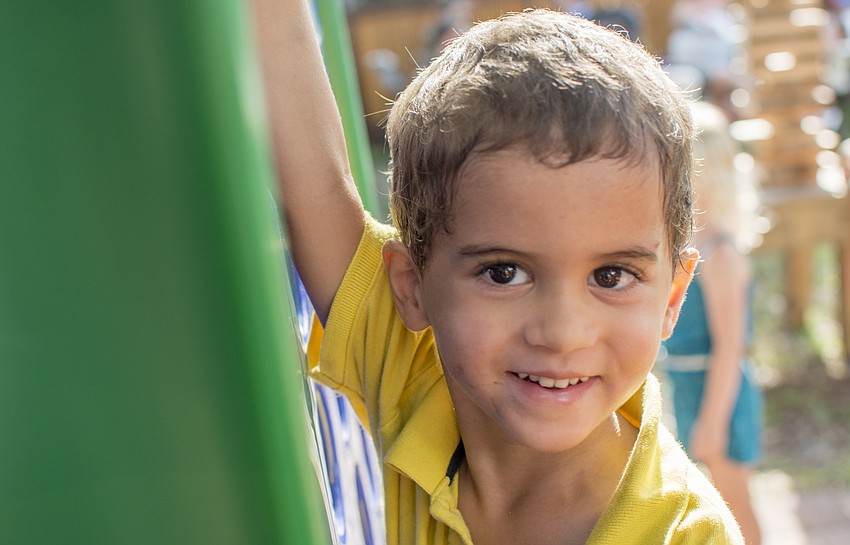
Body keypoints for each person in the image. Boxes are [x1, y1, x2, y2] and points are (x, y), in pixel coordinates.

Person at [252, 1, 744, 543]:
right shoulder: (409, 377)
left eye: (610, 276)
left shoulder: (686, 534)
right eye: (504, 273)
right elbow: (315, 184)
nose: (561, 333)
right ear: (412, 287)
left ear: (672, 296)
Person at [661, 101, 764, 545]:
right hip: (689, 385)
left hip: (719, 391)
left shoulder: (721, 254)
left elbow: (729, 347)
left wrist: (713, 422)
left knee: (735, 508)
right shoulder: (688, 242)